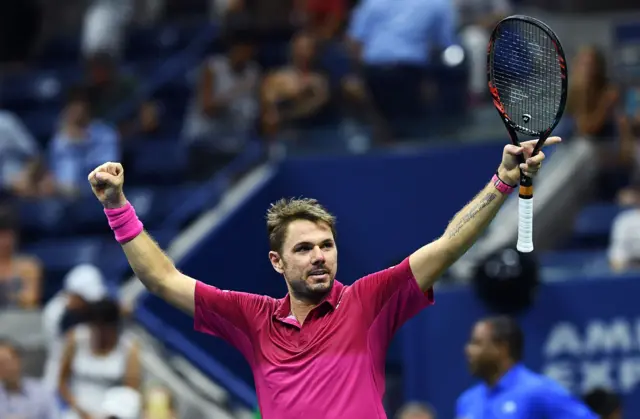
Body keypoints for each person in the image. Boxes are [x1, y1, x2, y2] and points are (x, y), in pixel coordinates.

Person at [87, 136, 558, 418]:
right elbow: (162, 279)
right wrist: (117, 208)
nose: (319, 257)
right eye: (304, 248)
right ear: (277, 262)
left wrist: (502, 180)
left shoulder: (368, 301)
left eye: (326, 246)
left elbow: (449, 244)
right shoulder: (251, 317)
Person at [457, 316, 597, 419]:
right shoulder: (467, 401)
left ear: (502, 348)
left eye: (477, 343)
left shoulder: (538, 391)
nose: (468, 350)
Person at [58, 299, 141, 419]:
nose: (100, 332)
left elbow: (131, 390)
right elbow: (61, 381)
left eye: (105, 327)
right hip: (77, 411)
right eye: (96, 325)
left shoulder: (129, 347)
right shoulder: (76, 338)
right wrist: (79, 410)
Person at [0, 338, 59, 419]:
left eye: (7, 362)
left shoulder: (42, 392)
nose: (5, 368)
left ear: (18, 360)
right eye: (1, 364)